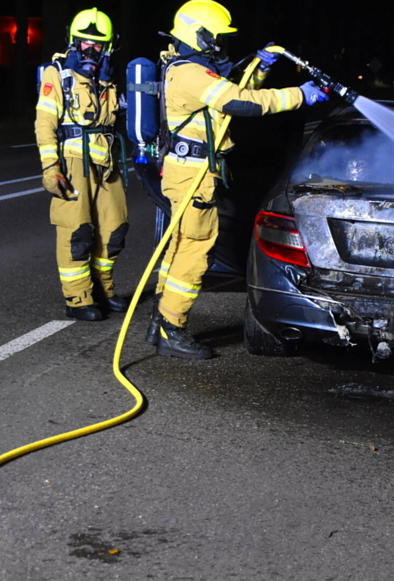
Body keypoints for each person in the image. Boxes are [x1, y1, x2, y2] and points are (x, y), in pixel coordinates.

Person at [146, 0, 329, 359]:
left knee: (178, 247)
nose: (219, 43)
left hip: (188, 171)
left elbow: (232, 89)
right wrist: (300, 96)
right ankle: (173, 328)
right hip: (193, 176)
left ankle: (160, 319)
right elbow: (240, 103)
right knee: (195, 250)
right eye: (215, 37)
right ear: (199, 34)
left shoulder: (192, 68)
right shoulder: (189, 73)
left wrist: (261, 65)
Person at [35, 7, 129, 321]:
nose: (90, 49)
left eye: (97, 44)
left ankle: (103, 289)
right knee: (77, 233)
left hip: (107, 163)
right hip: (74, 162)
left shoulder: (108, 79)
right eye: (84, 42)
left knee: (114, 230)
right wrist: (51, 167)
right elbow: (44, 122)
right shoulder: (57, 73)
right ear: (73, 41)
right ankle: (78, 298)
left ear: (108, 47)